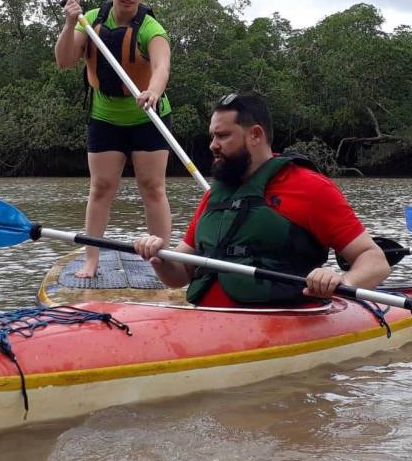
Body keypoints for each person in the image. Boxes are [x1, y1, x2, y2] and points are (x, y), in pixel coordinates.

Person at [133, 93, 390, 305]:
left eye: (222, 136)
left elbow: (375, 260)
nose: (212, 144)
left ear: (255, 135)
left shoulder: (311, 188)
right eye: (213, 135)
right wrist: (159, 257)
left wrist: (342, 281)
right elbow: (180, 275)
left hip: (280, 321)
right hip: (208, 321)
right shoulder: (216, 195)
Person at [55, 0, 172, 278]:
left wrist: (154, 91)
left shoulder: (151, 28)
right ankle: (92, 259)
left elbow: (161, 66)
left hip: (148, 116)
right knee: (102, 187)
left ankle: (162, 263)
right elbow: (65, 60)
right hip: (105, 117)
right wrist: (69, 23)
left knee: (152, 187)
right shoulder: (89, 20)